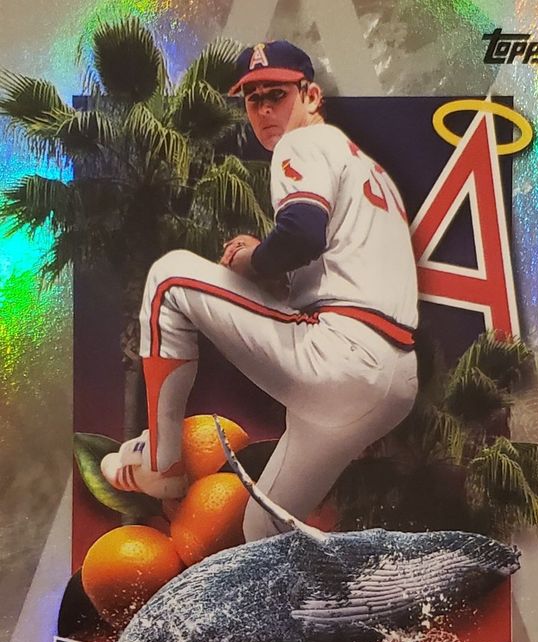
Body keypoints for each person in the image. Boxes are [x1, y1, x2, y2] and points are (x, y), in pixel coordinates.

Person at [101, 40, 419, 542]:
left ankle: (161, 464)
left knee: (169, 278)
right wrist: (266, 265)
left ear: (311, 96)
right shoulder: (371, 171)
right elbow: (332, 261)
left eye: (277, 95)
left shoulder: (303, 144)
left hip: (340, 356)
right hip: (395, 379)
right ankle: (343, 593)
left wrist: (250, 259)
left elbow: (302, 234)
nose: (265, 110)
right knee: (263, 526)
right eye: (253, 99)